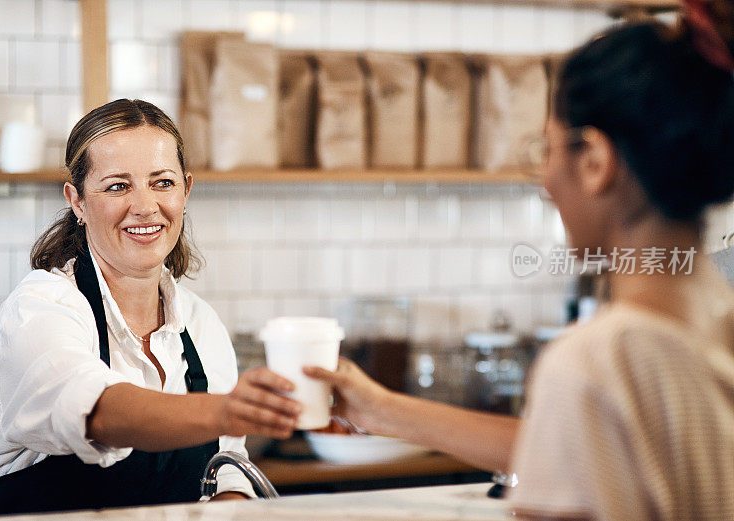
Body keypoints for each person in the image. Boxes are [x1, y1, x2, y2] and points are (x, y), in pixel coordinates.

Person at [307, 6, 734, 520]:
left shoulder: (597, 359)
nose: (545, 182)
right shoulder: (715, 325)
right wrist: (381, 409)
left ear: (595, 162)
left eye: (547, 150)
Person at [0, 99, 301, 518]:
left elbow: (223, 466)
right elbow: (96, 410)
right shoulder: (40, 307)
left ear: (186, 190)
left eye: (162, 182)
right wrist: (227, 410)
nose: (146, 206)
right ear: (77, 201)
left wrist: (231, 501)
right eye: (118, 186)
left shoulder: (201, 323)